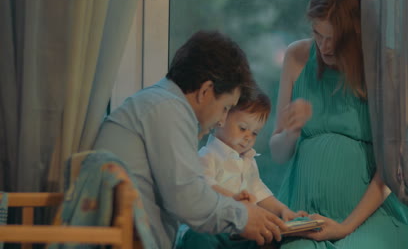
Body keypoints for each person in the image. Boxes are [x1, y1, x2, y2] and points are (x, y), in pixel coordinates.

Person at [93, 30, 288, 249]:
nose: (222, 120)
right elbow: (188, 200)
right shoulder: (169, 110)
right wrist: (244, 217)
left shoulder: (157, 102)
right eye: (225, 108)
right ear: (205, 90)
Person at [269, 0, 408, 248]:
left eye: (334, 38)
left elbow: (390, 172)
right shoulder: (297, 57)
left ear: (359, 32)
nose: (324, 47)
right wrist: (291, 132)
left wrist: (343, 228)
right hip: (306, 214)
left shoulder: (390, 68)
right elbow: (278, 154)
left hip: (373, 216)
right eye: (317, 34)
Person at [177, 88, 307, 249]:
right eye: (243, 128)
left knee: (271, 238)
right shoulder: (206, 156)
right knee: (199, 238)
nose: (248, 137)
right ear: (221, 118)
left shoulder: (248, 160)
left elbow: (260, 192)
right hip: (211, 229)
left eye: (255, 133)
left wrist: (283, 211)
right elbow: (204, 187)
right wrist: (234, 200)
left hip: (240, 232)